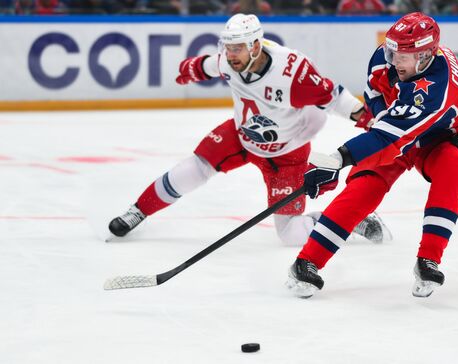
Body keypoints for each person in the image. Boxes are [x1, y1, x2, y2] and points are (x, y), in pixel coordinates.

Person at [108, 14, 391, 248]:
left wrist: (367, 118)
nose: (231, 54)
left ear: (255, 46)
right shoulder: (229, 60)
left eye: (238, 48)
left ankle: (355, 220)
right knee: (195, 167)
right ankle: (138, 211)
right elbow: (206, 65)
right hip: (241, 136)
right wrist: (190, 70)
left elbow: (334, 96)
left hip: (286, 154)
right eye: (228, 47)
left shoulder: (292, 73)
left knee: (290, 235)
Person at [287, 12, 458, 298]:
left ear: (425, 56)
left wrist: (337, 159)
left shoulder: (437, 88)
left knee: (454, 167)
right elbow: (373, 94)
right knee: (364, 187)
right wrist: (380, 114)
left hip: (437, 138)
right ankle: (307, 262)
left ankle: (429, 259)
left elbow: (387, 138)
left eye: (404, 56)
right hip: (395, 131)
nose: (394, 60)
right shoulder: (385, 58)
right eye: (392, 52)